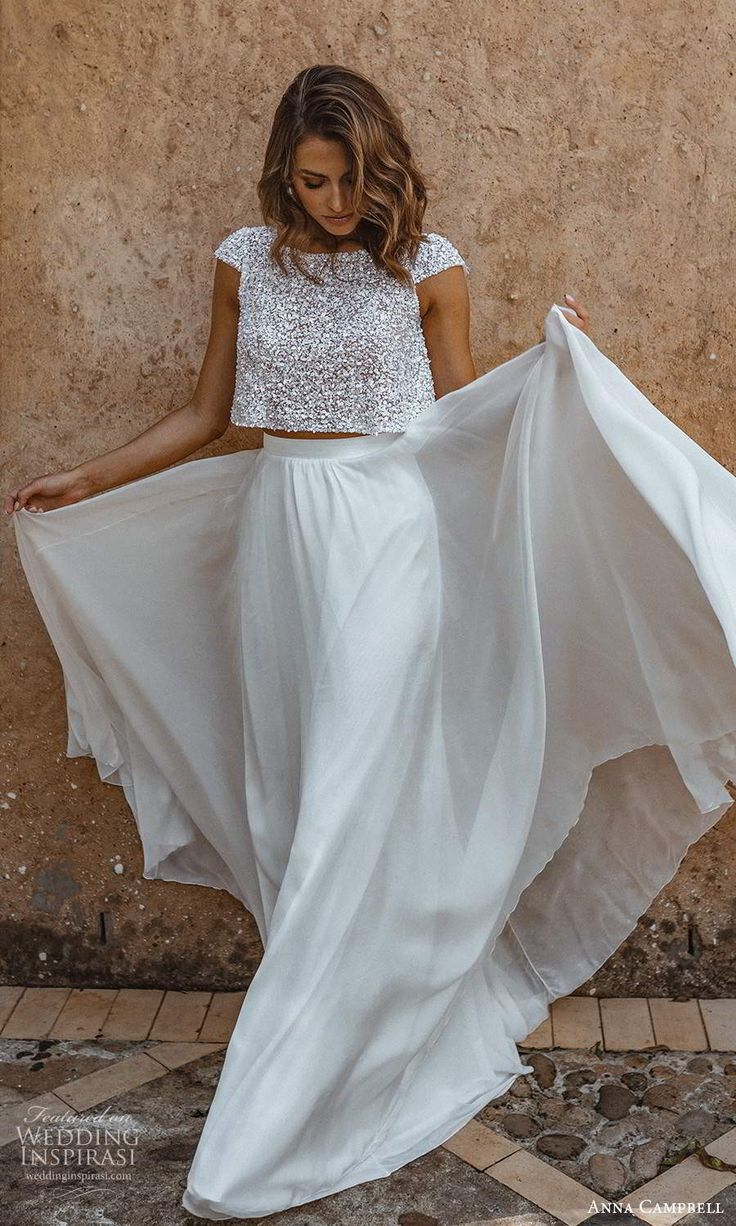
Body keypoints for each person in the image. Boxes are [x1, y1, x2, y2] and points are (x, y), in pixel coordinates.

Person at [6, 64, 736, 1223]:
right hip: (278, 546)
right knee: (295, 801)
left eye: (350, 178)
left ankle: (285, 1106)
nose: (335, 200)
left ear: (378, 167)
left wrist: (551, 373)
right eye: (312, 179)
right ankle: (365, 1033)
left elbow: (456, 420)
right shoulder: (244, 259)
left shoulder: (429, 267)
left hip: (388, 548)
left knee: (355, 800)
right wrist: (86, 481)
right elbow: (212, 414)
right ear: (282, 174)